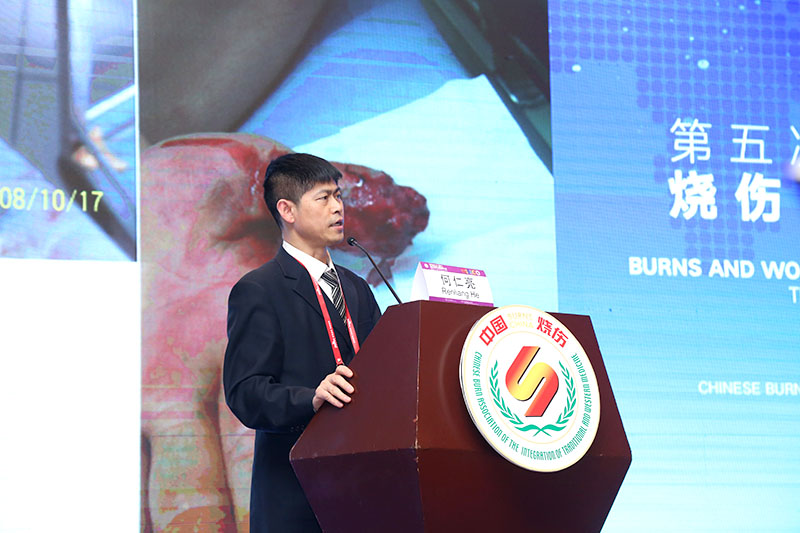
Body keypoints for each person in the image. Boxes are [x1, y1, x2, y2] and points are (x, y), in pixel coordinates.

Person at [222, 152, 381, 532]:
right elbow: (246, 391)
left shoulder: (357, 288)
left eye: (338, 196)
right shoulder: (259, 289)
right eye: (323, 198)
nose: (338, 207)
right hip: (296, 497)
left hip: (365, 491)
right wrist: (310, 398)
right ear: (287, 210)